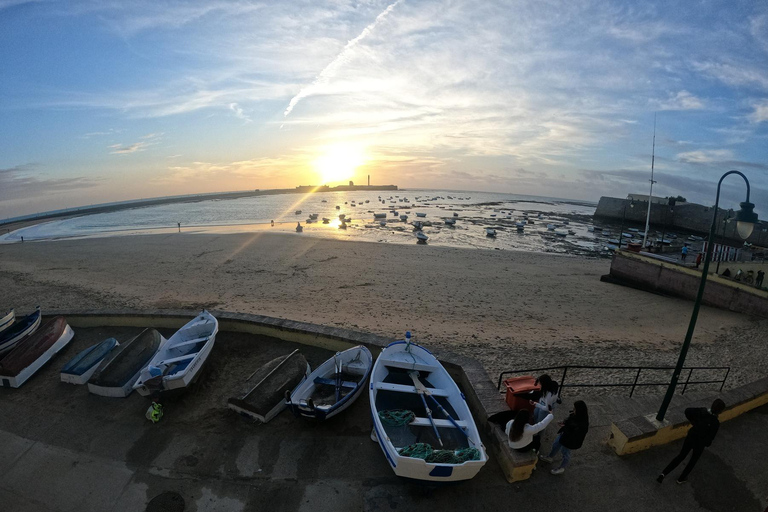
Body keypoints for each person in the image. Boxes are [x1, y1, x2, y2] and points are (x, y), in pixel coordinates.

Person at [657, 398, 725, 484]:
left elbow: (687, 411)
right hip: (700, 444)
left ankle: (663, 473)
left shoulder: (702, 411)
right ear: (720, 411)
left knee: (681, 456)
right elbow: (710, 438)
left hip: (691, 437)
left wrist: (694, 423)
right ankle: (681, 478)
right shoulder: (715, 423)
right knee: (692, 461)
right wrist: (705, 442)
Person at [539, 400, 589, 475]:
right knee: (555, 445)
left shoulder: (583, 424)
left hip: (570, 441)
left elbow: (575, 434)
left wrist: (565, 426)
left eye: (575, 409)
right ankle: (550, 457)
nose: (573, 410)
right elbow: (569, 421)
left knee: (565, 453)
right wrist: (564, 423)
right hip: (564, 435)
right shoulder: (577, 415)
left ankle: (562, 467)